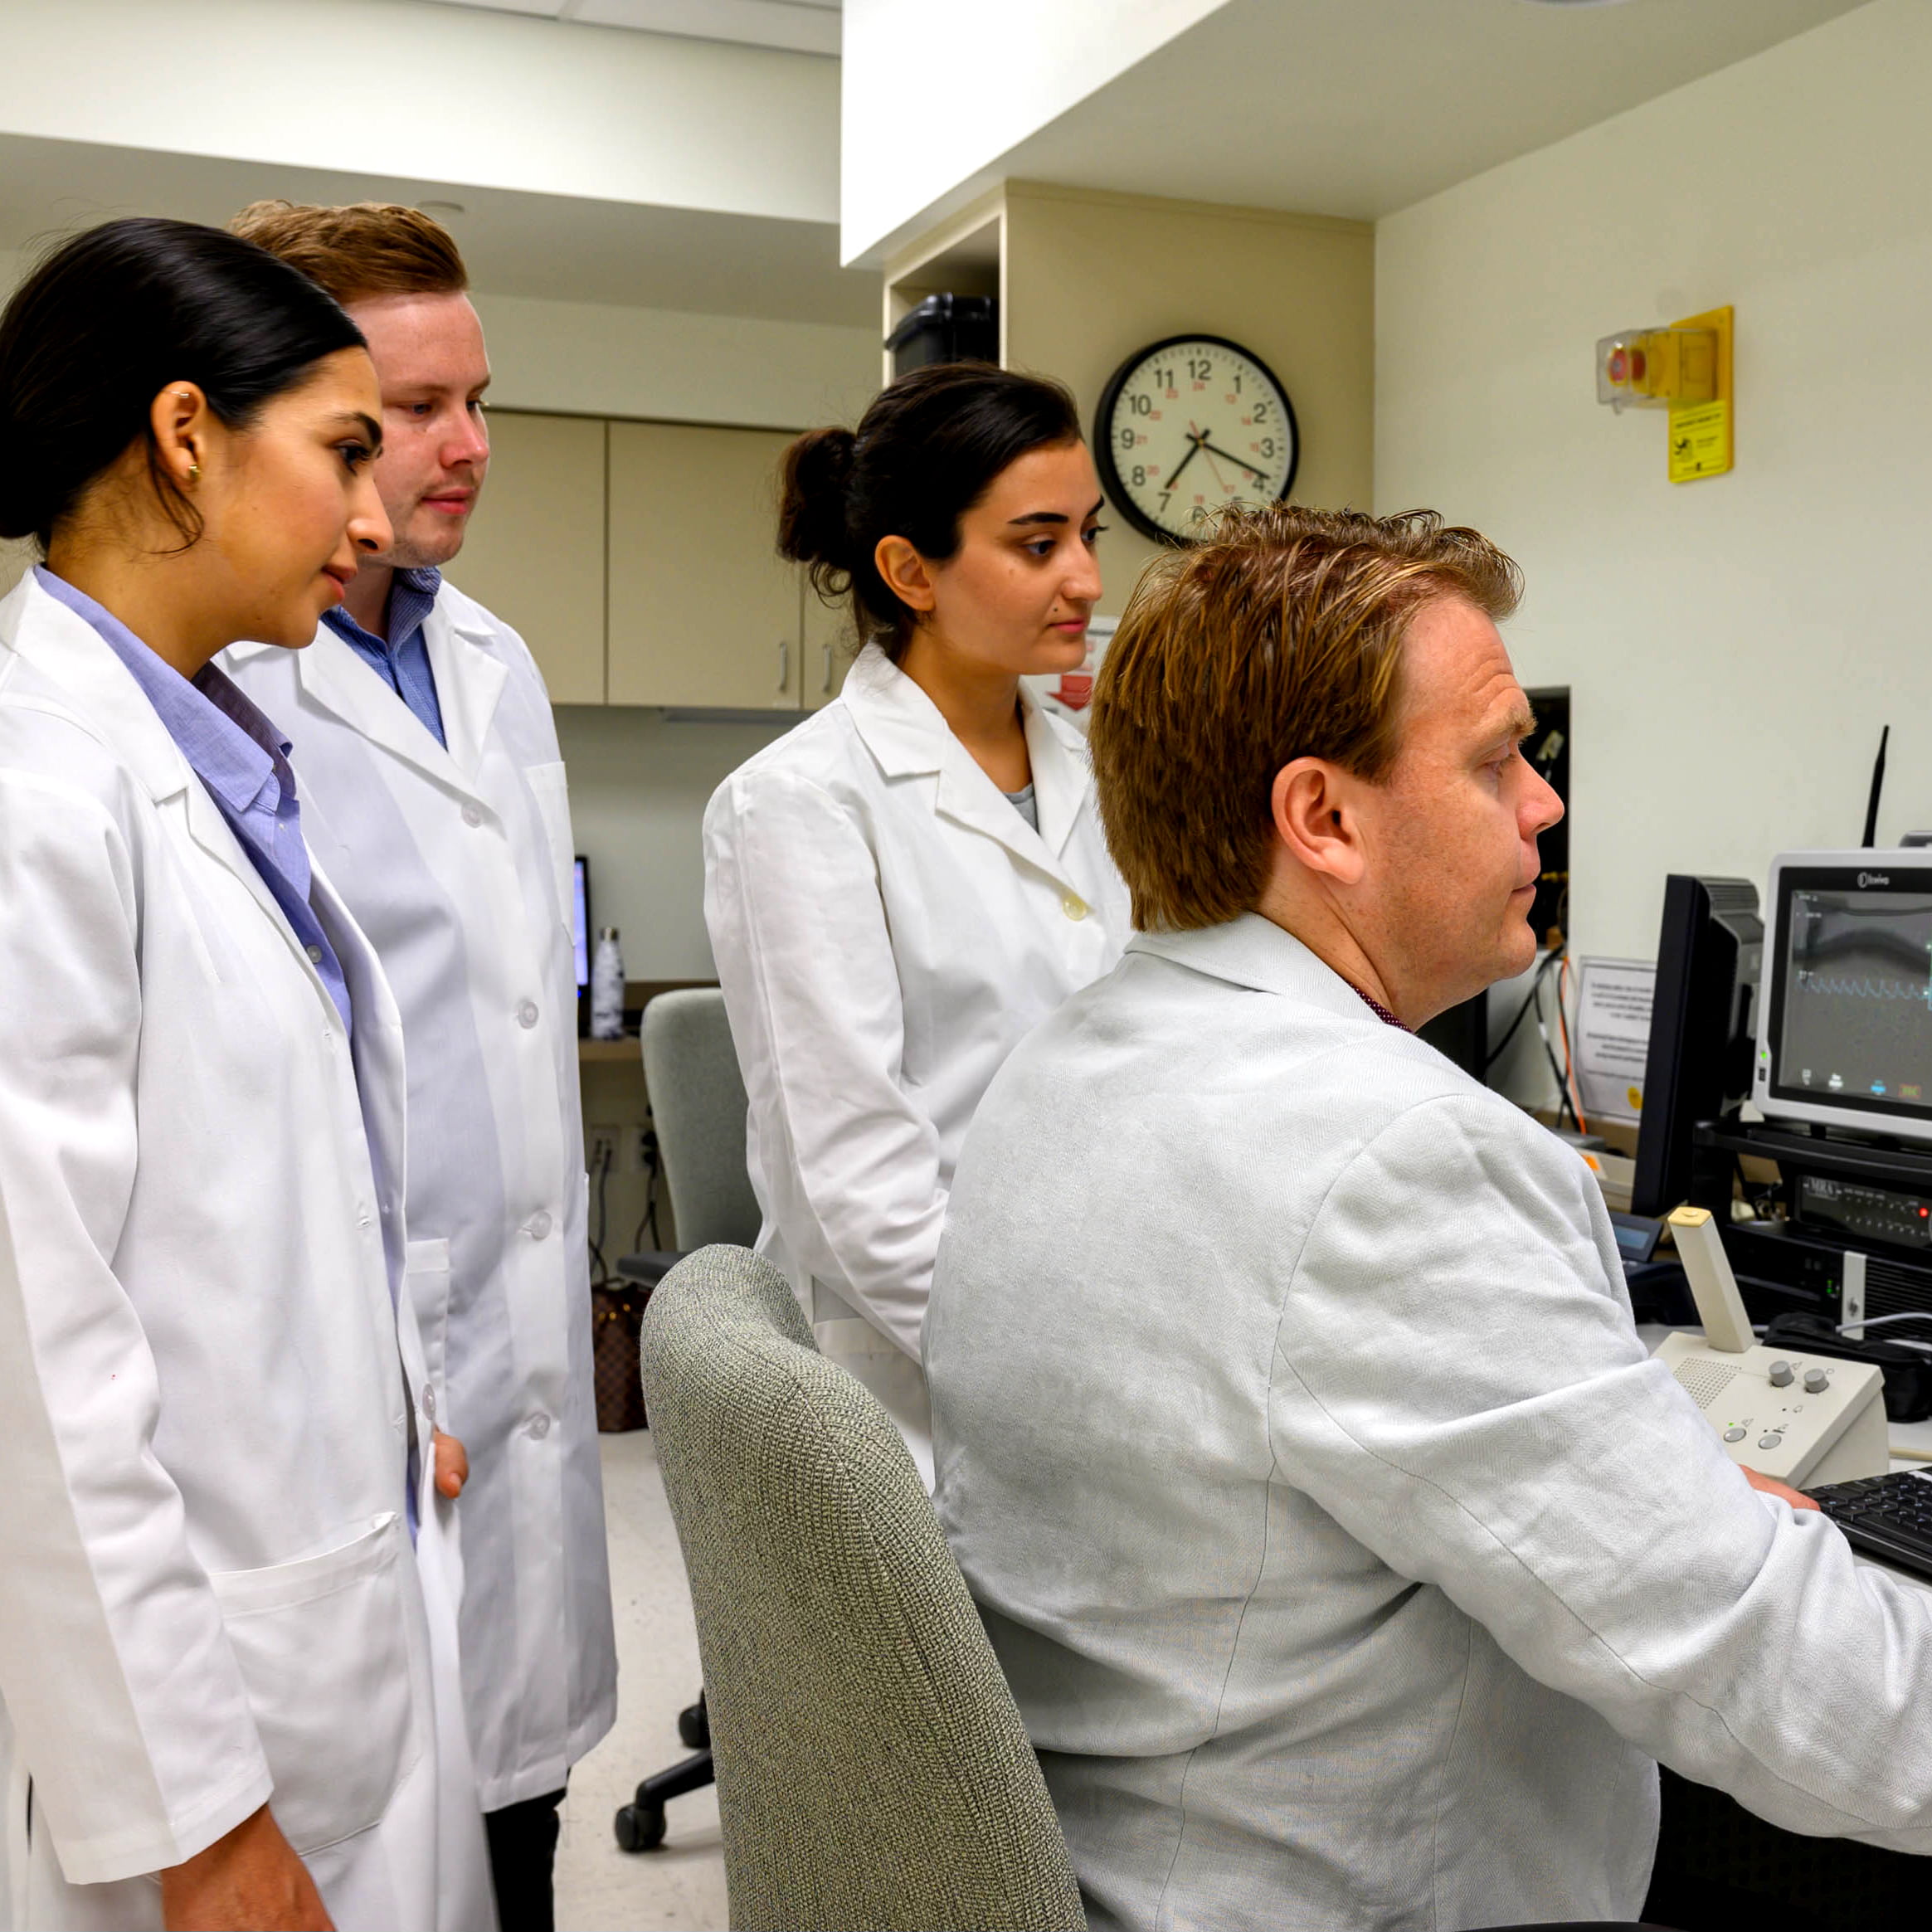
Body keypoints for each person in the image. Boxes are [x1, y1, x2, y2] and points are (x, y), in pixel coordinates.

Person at [925, 504, 1932, 1932]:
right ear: (1323, 817)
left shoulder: (1068, 1061)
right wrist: (1713, 1549)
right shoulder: (1392, 1153)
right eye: (1495, 757)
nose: (1545, 802)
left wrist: (1670, 1507)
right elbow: (1766, 1670)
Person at [0, 217, 491, 1931]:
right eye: (348, 448)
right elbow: (37, 1362)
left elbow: (260, 1190)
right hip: (186, 1718)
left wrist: (383, 1387)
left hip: (324, 1589)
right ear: (186, 432)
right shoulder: (36, 791)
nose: (378, 516)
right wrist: (202, 1822)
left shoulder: (208, 748)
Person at [219, 201, 615, 1931]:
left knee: (517, 1831)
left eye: (478, 398)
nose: (462, 448)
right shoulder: (228, 670)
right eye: (407, 407)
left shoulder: (497, 658)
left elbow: (516, 1014)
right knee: (368, 1840)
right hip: (354, 1373)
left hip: (516, 1350)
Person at [703, 363, 1132, 1483]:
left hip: (1106, 1312)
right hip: (913, 1390)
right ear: (908, 568)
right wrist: (1076, 1361)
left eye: (1087, 534)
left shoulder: (1107, 767)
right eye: (1037, 545)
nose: (1084, 577)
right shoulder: (801, 802)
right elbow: (854, 1190)